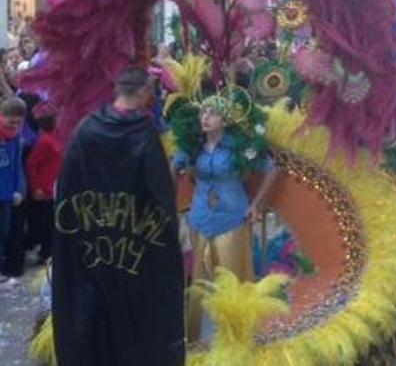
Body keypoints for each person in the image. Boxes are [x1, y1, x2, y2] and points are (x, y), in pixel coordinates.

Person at [52, 67, 184, 366]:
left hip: (90, 247)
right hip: (135, 249)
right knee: (132, 320)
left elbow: (68, 187)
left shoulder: (86, 129)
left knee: (93, 316)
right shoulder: (144, 133)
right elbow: (159, 195)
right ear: (143, 93)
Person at [174, 94, 279, 342]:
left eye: (212, 113)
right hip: (199, 218)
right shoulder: (193, 146)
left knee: (231, 280)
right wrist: (172, 195)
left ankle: (234, 338)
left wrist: (255, 205)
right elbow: (174, 164)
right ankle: (198, 340)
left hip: (231, 218)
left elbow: (272, 169)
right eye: (203, 113)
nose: (205, 118)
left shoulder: (239, 147)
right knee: (200, 281)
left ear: (225, 119)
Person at [24, 103, 61, 264]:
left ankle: (48, 251)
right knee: (46, 224)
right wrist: (36, 187)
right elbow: (32, 164)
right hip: (45, 189)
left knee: (52, 223)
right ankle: (44, 253)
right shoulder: (45, 141)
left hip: (55, 186)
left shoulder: (57, 136)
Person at [0, 97, 26, 285]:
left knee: (3, 233)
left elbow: (17, 165)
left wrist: (19, 189)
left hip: (7, 193)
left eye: (18, 122)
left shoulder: (16, 136)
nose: (14, 125)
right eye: (11, 121)